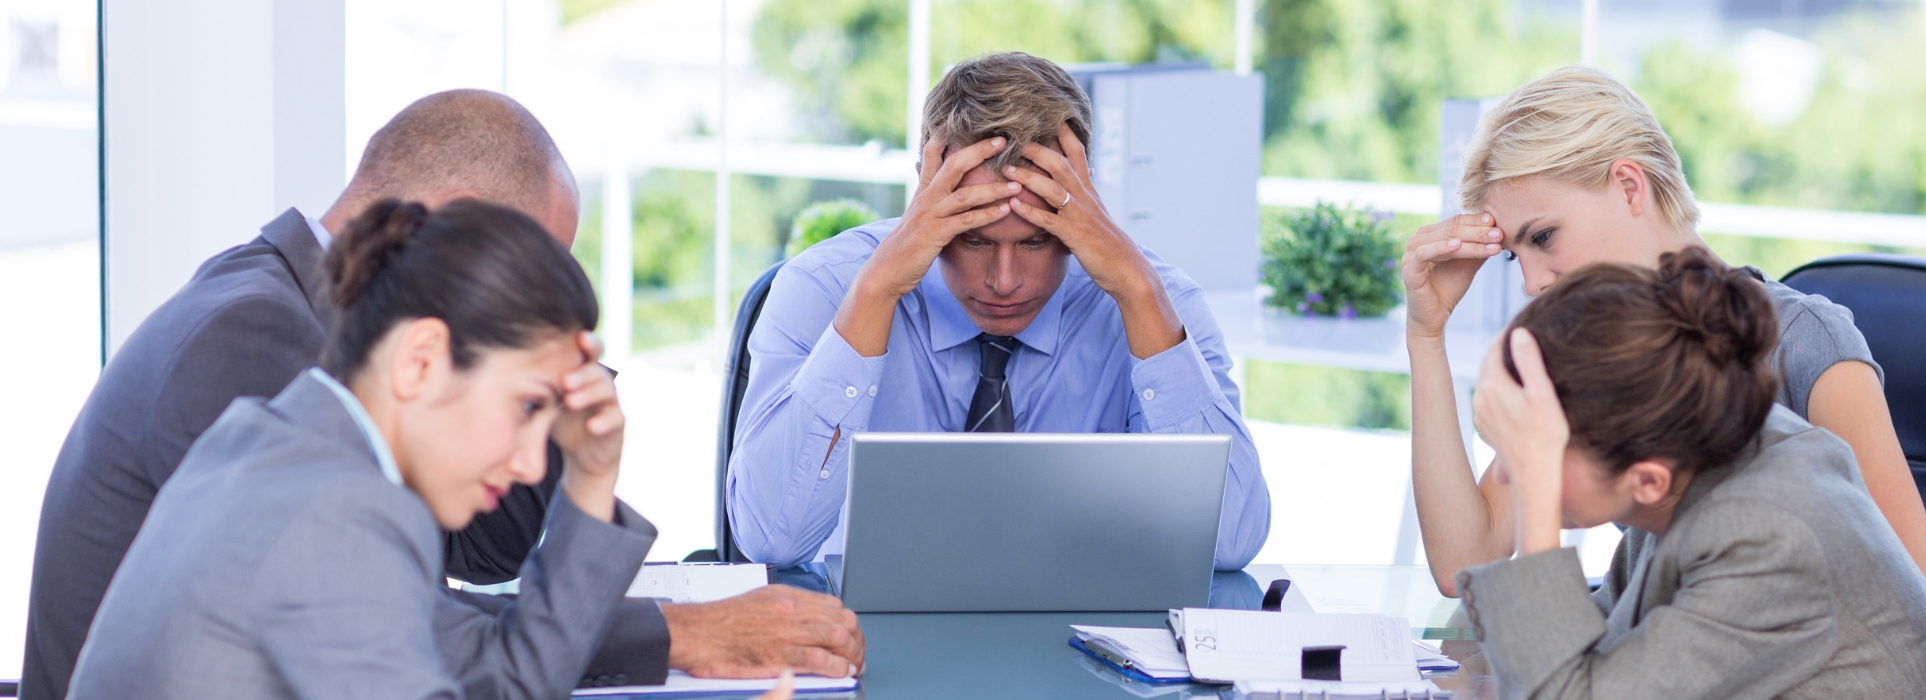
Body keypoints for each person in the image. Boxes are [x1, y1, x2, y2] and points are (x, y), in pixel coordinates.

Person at [23, 90, 861, 700]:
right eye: (529, 404)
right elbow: (448, 645)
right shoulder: (267, 379)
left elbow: (491, 643)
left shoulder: (300, 431)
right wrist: (687, 634)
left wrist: (587, 478)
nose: (536, 453)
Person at [1402, 65, 1926, 601]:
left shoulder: (1806, 343)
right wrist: (1427, 334)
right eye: (1512, 257)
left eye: (1543, 236)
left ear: (1629, 186)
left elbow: (1921, 608)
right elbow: (1464, 565)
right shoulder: (1600, 353)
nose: (1531, 282)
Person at [69, 199, 643, 698]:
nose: (531, 464)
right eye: (525, 407)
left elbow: (505, 679)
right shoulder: (337, 510)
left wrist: (589, 478)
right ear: (420, 361)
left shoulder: (273, 445)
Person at [727, 51, 1271, 569]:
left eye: (1036, 242)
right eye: (974, 240)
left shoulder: (1157, 300)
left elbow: (1230, 544)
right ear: (925, 189)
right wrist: (877, 293)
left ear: (1083, 198)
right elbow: (770, 539)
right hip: (866, 638)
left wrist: (1137, 293)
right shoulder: (822, 289)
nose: (1004, 282)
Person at [1455, 248, 1926, 699]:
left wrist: (1537, 492)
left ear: (1648, 480)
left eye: (1529, 457)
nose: (1505, 476)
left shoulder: (1769, 539)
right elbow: (1597, 649)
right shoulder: (1690, 447)